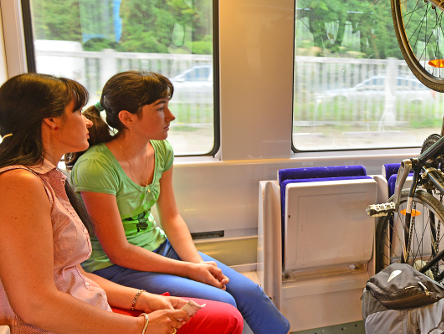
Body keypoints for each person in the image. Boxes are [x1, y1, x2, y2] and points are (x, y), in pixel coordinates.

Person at [0, 73, 243, 334]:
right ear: (51, 120)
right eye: (78, 111)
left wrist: (145, 299)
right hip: (62, 323)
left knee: (228, 315)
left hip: (89, 300)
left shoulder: (49, 177)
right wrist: (141, 326)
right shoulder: (19, 184)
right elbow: (36, 305)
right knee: (224, 316)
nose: (87, 121)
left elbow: (73, 276)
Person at [69, 70, 290, 334]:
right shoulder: (95, 167)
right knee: (224, 301)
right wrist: (188, 270)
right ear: (127, 118)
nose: (171, 117)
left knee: (249, 291)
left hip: (158, 248)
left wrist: (196, 265)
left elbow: (171, 218)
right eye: (161, 109)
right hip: (114, 266)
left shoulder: (161, 150)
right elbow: (119, 250)